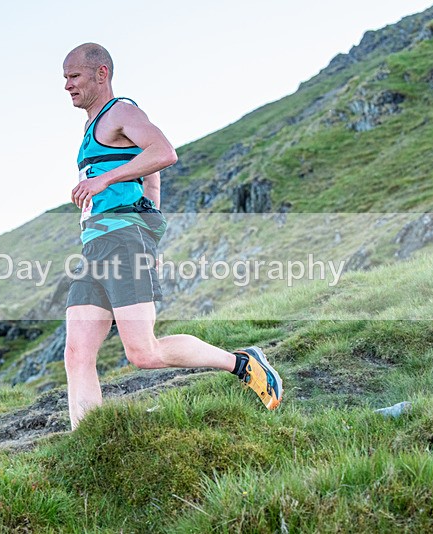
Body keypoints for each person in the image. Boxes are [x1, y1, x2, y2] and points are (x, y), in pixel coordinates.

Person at [62, 43, 282, 429]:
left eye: (74, 76)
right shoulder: (91, 127)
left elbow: (163, 152)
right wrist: (151, 230)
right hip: (97, 246)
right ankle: (86, 442)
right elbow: (152, 178)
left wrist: (108, 183)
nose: (67, 85)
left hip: (122, 242)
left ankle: (243, 363)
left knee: (143, 353)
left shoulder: (122, 112)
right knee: (77, 352)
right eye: (64, 78)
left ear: (101, 74)